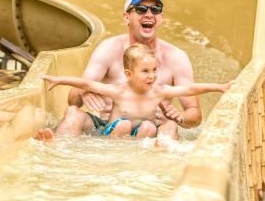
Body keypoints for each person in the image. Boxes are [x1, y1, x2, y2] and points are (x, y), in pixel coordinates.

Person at [35, 0, 202, 141]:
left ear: (161, 18)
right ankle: (57, 148)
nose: (149, 14)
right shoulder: (109, 49)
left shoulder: (177, 58)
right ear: (126, 17)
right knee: (73, 113)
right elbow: (73, 101)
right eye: (141, 9)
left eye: (156, 9)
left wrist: (179, 117)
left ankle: (161, 163)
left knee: (171, 126)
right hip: (108, 129)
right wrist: (84, 91)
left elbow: (194, 116)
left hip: (153, 133)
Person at [40, 44, 233, 138]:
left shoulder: (159, 91)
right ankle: (57, 144)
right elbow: (87, 85)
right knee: (123, 125)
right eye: (145, 72)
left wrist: (219, 87)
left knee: (149, 128)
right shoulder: (118, 91)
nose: (152, 76)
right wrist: (58, 80)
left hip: (139, 135)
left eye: (155, 70)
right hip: (112, 131)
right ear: (129, 74)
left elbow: (190, 89)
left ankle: (144, 154)